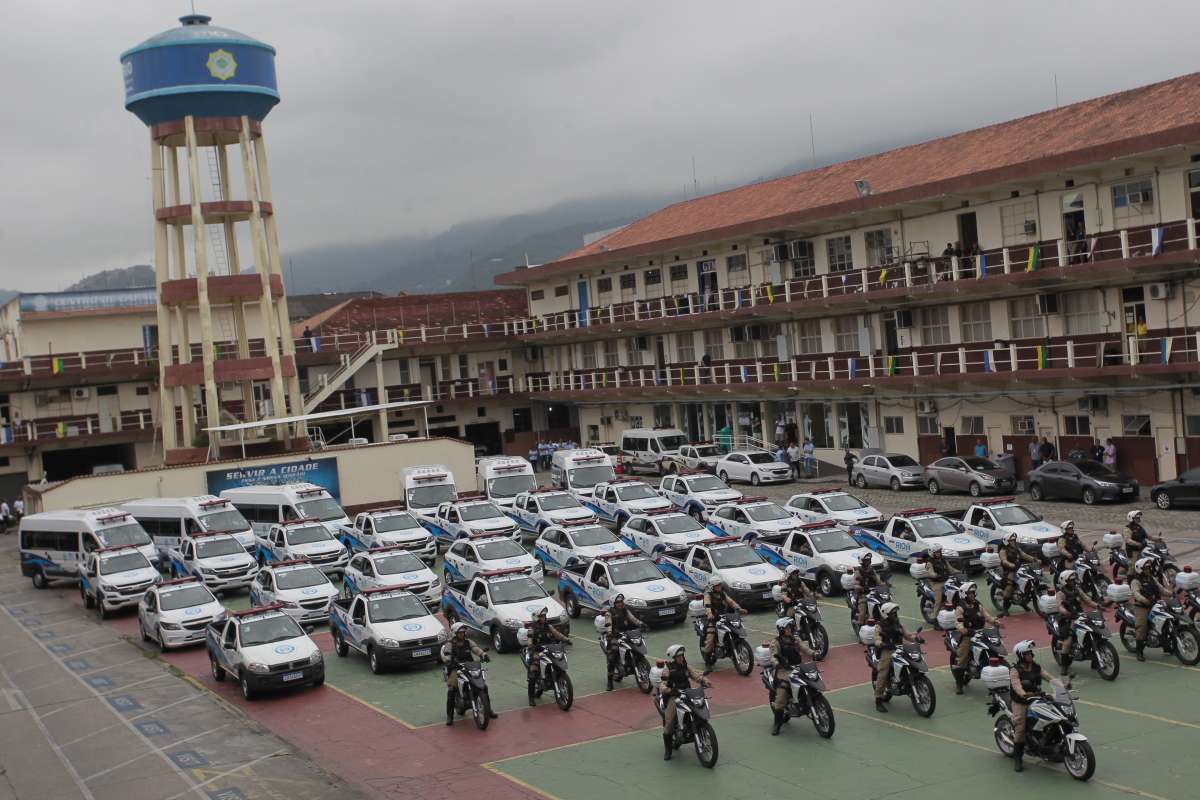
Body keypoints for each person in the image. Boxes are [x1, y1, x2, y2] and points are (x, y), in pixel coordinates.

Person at [1009, 640, 1060, 772]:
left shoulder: (1036, 667)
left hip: (1037, 698)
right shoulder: (1015, 670)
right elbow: (1016, 686)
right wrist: (1024, 694)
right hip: (1021, 702)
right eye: (1027, 654)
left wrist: (1062, 685)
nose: (1030, 656)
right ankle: (1018, 759)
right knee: (1020, 728)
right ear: (1021, 655)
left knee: (1052, 716)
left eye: (1030, 653)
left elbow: (1049, 677)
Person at [659, 644, 708, 760]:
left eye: (682, 655)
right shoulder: (668, 669)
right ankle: (668, 750)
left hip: (687, 694)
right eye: (679, 656)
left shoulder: (686, 666)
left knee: (698, 709)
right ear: (673, 658)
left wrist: (705, 680)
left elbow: (696, 676)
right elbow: (662, 685)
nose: (681, 658)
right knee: (670, 721)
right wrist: (669, 690)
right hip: (673, 696)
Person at [769, 617, 815, 734]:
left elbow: (804, 648)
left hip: (798, 667)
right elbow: (773, 656)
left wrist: (814, 653)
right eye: (788, 628)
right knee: (781, 695)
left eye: (791, 627)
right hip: (782, 671)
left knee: (811, 681)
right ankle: (777, 724)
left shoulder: (795, 639)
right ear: (781, 629)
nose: (791, 629)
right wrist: (777, 664)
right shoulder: (776, 642)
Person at [873, 602, 921, 713]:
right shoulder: (879, 626)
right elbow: (877, 638)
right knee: (883, 672)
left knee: (913, 661)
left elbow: (908, 636)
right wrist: (881, 643)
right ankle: (878, 700)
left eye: (896, 613)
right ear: (886, 614)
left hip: (900, 648)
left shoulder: (898, 624)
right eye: (893, 614)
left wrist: (917, 638)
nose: (895, 616)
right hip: (888, 650)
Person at [443, 622, 494, 725]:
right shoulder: (450, 643)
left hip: (469, 666)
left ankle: (488, 710)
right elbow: (446, 653)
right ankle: (449, 716)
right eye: (460, 632)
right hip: (455, 668)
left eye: (463, 632)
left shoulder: (468, 642)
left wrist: (483, 654)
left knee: (484, 687)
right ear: (455, 633)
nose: (462, 634)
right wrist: (448, 659)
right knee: (452, 689)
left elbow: (475, 649)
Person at [951, 582, 997, 693]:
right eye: (969, 593)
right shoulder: (960, 607)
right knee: (961, 658)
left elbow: (987, 616)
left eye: (973, 593)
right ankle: (959, 684)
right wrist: (962, 628)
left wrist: (995, 621)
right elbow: (958, 621)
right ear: (964, 594)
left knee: (993, 647)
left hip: (981, 633)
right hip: (968, 635)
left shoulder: (977, 604)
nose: (972, 595)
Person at [1054, 571, 1100, 677]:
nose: (1073, 582)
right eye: (1071, 580)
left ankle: (1096, 659)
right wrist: (1064, 611)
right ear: (1065, 581)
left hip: (1079, 615)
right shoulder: (1060, 593)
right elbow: (1059, 605)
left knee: (1094, 632)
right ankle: (1064, 666)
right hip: (1066, 619)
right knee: (1068, 641)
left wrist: (1098, 606)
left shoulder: (1077, 589)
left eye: (1074, 580)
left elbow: (1087, 600)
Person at [524, 607, 570, 706]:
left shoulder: (548, 626)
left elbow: (557, 634)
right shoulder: (532, 629)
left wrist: (566, 640)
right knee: (533, 672)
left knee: (558, 662)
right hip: (537, 651)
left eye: (544, 616)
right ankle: (531, 698)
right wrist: (532, 646)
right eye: (541, 616)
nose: (544, 618)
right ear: (536, 617)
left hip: (549, 649)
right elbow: (529, 641)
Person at [601, 595, 645, 691]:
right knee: (612, 657)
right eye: (618, 602)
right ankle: (609, 682)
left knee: (636, 646)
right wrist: (609, 632)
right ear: (614, 603)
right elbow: (608, 623)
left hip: (626, 634)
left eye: (621, 601)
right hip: (614, 636)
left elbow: (632, 618)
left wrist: (641, 623)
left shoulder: (625, 610)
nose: (620, 603)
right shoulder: (609, 613)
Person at [701, 577, 745, 671]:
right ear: (712, 587)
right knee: (710, 639)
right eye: (717, 585)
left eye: (719, 585)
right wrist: (709, 614)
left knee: (734, 628)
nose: (719, 587)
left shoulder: (722, 594)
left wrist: (739, 608)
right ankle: (708, 662)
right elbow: (707, 605)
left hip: (723, 616)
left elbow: (731, 602)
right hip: (712, 618)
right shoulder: (708, 594)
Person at [1130, 558, 1170, 662]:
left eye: (1149, 567)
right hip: (1142, 607)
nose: (1148, 569)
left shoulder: (1152, 578)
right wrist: (1145, 600)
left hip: (1155, 604)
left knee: (1166, 621)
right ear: (1140, 569)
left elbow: (1161, 589)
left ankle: (1166, 645)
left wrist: (1171, 593)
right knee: (1142, 627)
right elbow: (1136, 594)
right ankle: (1139, 652)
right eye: (1146, 568)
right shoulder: (1135, 581)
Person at [998, 533, 1039, 616]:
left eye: (1014, 540)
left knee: (1028, 580)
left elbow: (1024, 555)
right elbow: (1004, 560)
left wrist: (1034, 559)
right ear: (1006, 542)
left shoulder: (1017, 548)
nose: (1013, 542)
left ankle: (1023, 601)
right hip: (1007, 570)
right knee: (1010, 586)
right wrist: (1009, 564)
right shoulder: (1003, 551)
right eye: (1011, 540)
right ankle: (1005, 609)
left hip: (1018, 568)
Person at [852, 553, 883, 626]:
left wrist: (884, 585)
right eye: (866, 560)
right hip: (863, 594)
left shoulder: (872, 570)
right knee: (862, 611)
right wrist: (860, 587)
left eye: (869, 560)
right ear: (862, 561)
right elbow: (855, 584)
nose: (868, 561)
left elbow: (878, 581)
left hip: (874, 593)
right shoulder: (858, 571)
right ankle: (860, 622)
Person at [1121, 510, 1149, 579]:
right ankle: (1130, 581)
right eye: (1137, 518)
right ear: (1131, 518)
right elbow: (1127, 540)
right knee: (1132, 567)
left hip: (1142, 549)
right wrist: (1137, 544)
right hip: (1133, 551)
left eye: (1139, 518)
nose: (1139, 519)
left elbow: (1147, 536)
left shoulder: (1139, 527)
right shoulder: (1127, 528)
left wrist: (1157, 539)